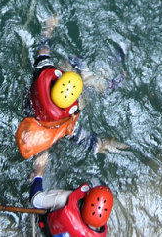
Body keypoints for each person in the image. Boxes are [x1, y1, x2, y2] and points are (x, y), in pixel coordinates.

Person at [16, 24, 124, 159]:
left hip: (43, 109)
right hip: (82, 76)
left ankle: (110, 74)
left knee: (94, 83)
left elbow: (93, 143)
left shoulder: (42, 71)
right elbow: (96, 144)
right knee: (95, 84)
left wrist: (48, 29)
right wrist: (49, 29)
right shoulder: (68, 127)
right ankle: (115, 68)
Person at [29, 156, 113, 236]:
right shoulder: (100, 233)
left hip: (46, 227)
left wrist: (38, 173)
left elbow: (35, 200)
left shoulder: (65, 199)